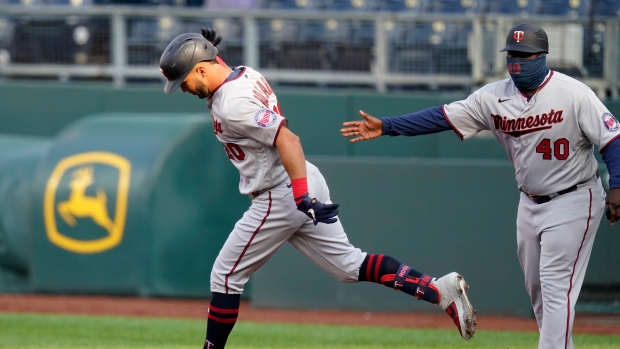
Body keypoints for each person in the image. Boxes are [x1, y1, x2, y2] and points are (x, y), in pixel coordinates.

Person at [159, 29, 477, 349]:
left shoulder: (232, 103)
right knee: (349, 266)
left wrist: (301, 196)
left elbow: (288, 139)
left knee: (225, 277)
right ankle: (438, 290)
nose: (182, 88)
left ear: (201, 68)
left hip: (280, 192)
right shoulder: (242, 73)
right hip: (301, 178)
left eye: (183, 80)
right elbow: (221, 75)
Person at [341, 23, 620, 349]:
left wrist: (617, 184)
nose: (517, 61)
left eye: (524, 54)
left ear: (542, 56)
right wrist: (388, 126)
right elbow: (442, 117)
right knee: (538, 289)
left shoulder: (574, 94)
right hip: (529, 201)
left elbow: (613, 139)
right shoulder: (493, 97)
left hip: (575, 197)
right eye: (512, 55)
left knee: (556, 285)